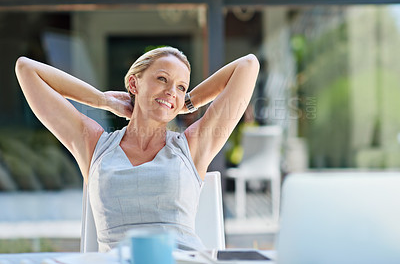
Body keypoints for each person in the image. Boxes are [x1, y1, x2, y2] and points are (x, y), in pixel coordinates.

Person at [15, 46, 259, 252]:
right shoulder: (94, 145)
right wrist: (103, 100)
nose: (171, 91)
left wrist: (184, 103)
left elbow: (248, 66)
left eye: (181, 86)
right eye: (162, 79)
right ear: (134, 83)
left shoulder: (192, 147)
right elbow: (27, 69)